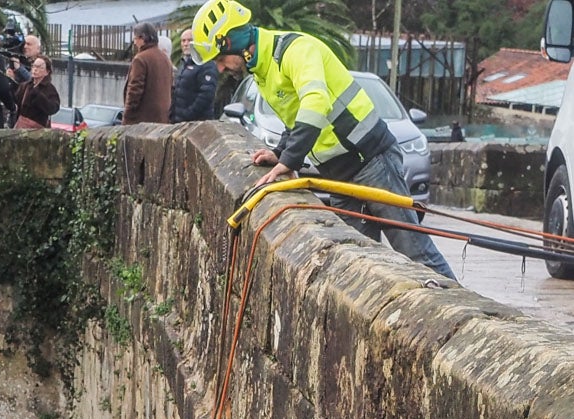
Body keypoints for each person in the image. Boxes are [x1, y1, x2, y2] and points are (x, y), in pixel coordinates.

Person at [191, 0, 457, 279]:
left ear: (239, 43)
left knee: (414, 250)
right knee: (358, 262)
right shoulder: (262, 69)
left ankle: (458, 311)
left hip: (372, 161)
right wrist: (281, 152)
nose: (220, 68)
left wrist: (290, 161)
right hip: (338, 175)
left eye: (221, 59)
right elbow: (295, 116)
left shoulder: (295, 50)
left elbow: (315, 103)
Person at [122, 22, 174, 126]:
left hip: (141, 121)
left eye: (135, 39)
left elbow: (134, 91)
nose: (135, 42)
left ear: (142, 39)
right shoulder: (165, 59)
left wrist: (127, 117)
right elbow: (172, 88)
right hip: (162, 120)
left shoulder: (140, 59)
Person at [171, 27, 218, 123]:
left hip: (197, 124)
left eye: (189, 40)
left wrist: (187, 114)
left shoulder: (206, 64)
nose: (185, 44)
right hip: (179, 122)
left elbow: (206, 95)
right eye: (183, 41)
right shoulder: (183, 63)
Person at [14, 56, 61, 129]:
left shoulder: (50, 89)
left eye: (40, 67)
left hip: (37, 131)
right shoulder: (25, 86)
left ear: (47, 72)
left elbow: (53, 108)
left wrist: (38, 96)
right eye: (34, 66)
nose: (35, 69)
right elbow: (16, 102)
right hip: (21, 128)